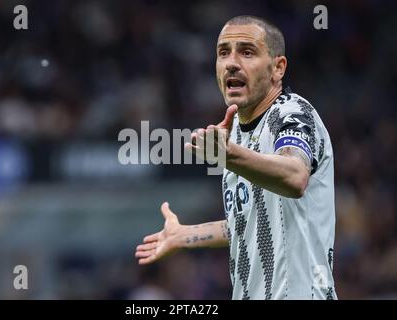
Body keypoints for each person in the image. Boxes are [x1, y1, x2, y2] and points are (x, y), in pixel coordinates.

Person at [135, 15, 337, 300]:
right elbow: (247, 223)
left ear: (278, 68)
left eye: (247, 52)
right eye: (223, 52)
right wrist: (186, 236)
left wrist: (228, 156)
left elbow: (295, 176)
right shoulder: (237, 138)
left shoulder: (291, 112)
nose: (231, 62)